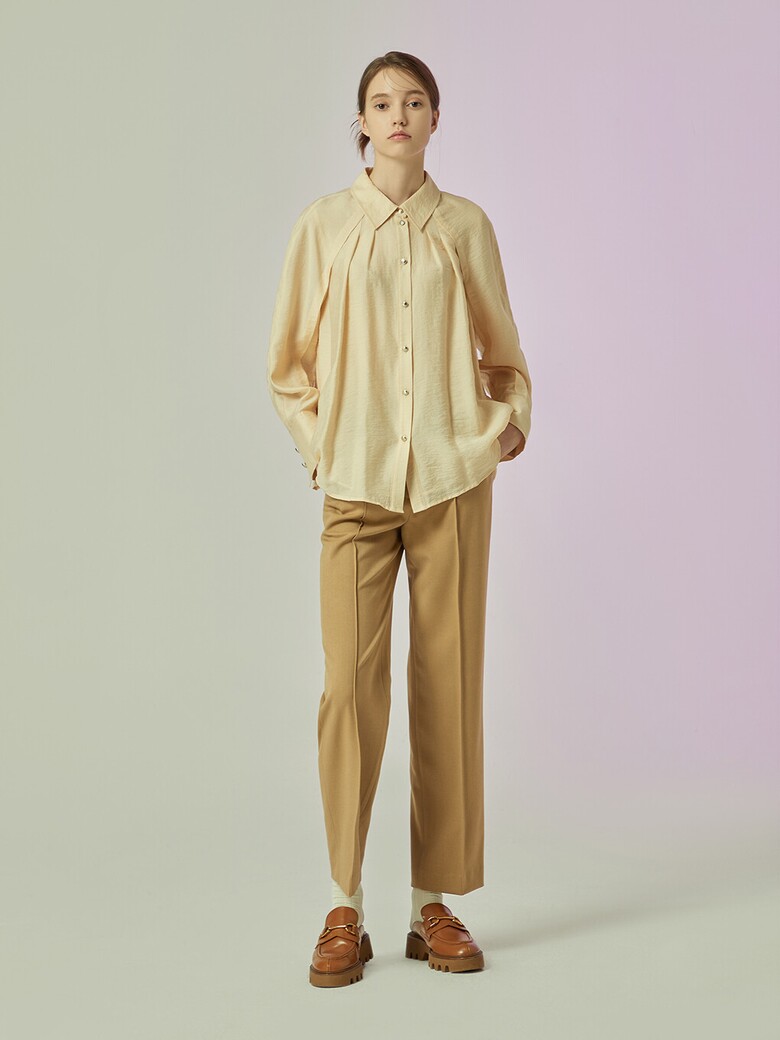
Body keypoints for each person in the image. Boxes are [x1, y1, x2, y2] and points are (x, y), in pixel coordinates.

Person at [267, 51, 532, 987]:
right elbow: (288, 369)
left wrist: (505, 425)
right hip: (357, 485)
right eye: (382, 103)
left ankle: (432, 905)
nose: (398, 116)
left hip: (452, 481)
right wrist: (324, 447)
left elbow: (505, 356)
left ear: (434, 119)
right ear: (362, 121)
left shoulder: (466, 227)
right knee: (350, 690)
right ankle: (345, 903)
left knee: (448, 685)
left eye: (414, 102)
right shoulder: (324, 226)